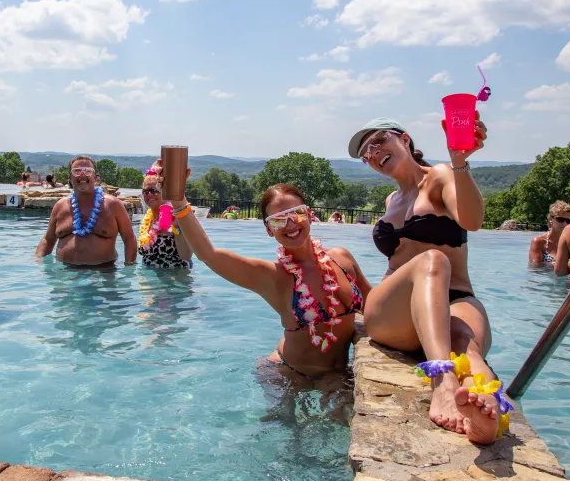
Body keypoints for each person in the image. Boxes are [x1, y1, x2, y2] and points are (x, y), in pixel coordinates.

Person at [349, 116, 509, 445]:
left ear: (405, 139)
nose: (373, 152)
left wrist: (459, 162)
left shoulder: (440, 176)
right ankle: (442, 380)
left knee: (465, 340)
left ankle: (489, 414)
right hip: (394, 312)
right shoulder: (391, 201)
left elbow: (472, 220)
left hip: (455, 298)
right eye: (366, 153)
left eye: (378, 141)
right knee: (433, 261)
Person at [172, 181, 372, 380]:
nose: (290, 223)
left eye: (296, 212)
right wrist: (178, 201)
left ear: (309, 214)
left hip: (336, 377)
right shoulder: (274, 277)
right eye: (278, 220)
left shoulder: (342, 257)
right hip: (289, 376)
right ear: (269, 229)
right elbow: (209, 255)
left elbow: (373, 304)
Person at [35, 156, 136, 266]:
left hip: (103, 273)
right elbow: (48, 240)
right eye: (77, 171)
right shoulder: (60, 206)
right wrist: (37, 263)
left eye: (88, 171)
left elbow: (129, 238)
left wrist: (129, 268)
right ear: (69, 178)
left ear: (96, 178)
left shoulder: (113, 205)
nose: (82, 174)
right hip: (65, 275)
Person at [138, 171, 193, 268]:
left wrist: (177, 228)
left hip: (175, 278)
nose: (150, 194)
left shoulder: (177, 215)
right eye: (146, 191)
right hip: (149, 279)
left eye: (155, 190)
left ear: (165, 192)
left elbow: (186, 255)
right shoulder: (148, 219)